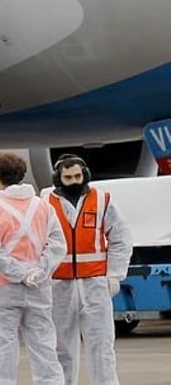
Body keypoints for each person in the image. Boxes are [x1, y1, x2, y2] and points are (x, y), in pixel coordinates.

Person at [0, 153, 66, 385]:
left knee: (2, 346)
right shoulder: (44, 208)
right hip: (38, 285)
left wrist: (18, 274)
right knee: (44, 343)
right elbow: (58, 245)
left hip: (0, 288)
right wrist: (39, 271)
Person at [45, 154, 132, 385]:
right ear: (58, 178)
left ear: (85, 174)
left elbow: (121, 238)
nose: (74, 181)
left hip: (94, 284)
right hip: (59, 285)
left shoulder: (102, 200)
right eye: (68, 177)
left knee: (101, 345)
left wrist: (114, 274)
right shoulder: (46, 202)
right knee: (60, 347)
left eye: (77, 176)